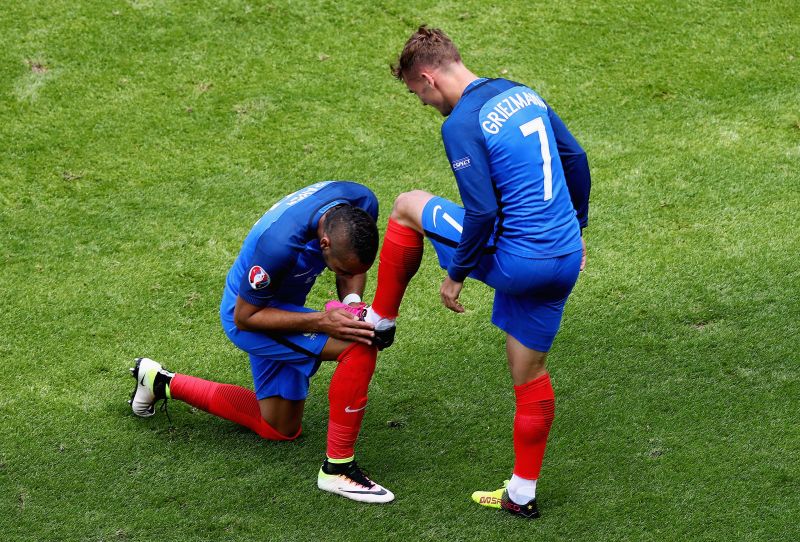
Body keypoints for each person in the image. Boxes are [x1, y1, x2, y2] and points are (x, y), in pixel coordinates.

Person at [370, 26, 591, 518]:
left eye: (417, 94)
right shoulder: (520, 92)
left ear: (428, 78)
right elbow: (575, 157)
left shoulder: (460, 123)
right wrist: (577, 226)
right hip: (563, 262)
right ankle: (521, 493)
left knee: (409, 205)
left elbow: (483, 213)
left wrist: (457, 274)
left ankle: (380, 320)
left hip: (518, 262)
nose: (424, 103)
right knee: (527, 371)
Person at [128, 180, 394, 503]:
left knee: (280, 427)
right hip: (253, 314)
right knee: (360, 345)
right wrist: (323, 321)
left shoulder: (360, 205)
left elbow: (352, 267)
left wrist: (352, 303)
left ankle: (158, 381)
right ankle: (338, 468)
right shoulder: (279, 244)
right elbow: (245, 317)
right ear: (324, 243)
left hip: (285, 306)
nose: (346, 272)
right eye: (339, 267)